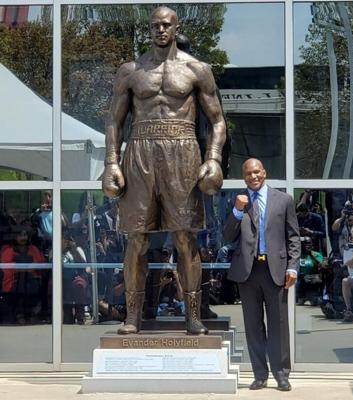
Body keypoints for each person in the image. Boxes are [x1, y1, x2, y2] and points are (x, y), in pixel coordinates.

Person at [102, 6, 226, 335]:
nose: (160, 29)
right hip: (140, 151)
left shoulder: (197, 69)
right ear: (149, 28)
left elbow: (217, 120)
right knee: (137, 240)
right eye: (155, 25)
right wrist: (111, 162)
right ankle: (132, 316)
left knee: (185, 238)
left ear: (176, 27)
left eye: (166, 24)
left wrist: (213, 158)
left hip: (183, 152)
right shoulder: (131, 70)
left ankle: (193, 315)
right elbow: (114, 121)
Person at [223, 158, 300, 392]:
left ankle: (281, 374)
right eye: (248, 174)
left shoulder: (283, 200)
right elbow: (227, 236)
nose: (253, 177)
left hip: (275, 270)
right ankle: (259, 374)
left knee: (278, 324)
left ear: (264, 173)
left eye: (256, 172)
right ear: (243, 177)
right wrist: (237, 211)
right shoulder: (236, 201)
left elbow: (293, 237)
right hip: (247, 272)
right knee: (253, 325)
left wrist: (293, 266)